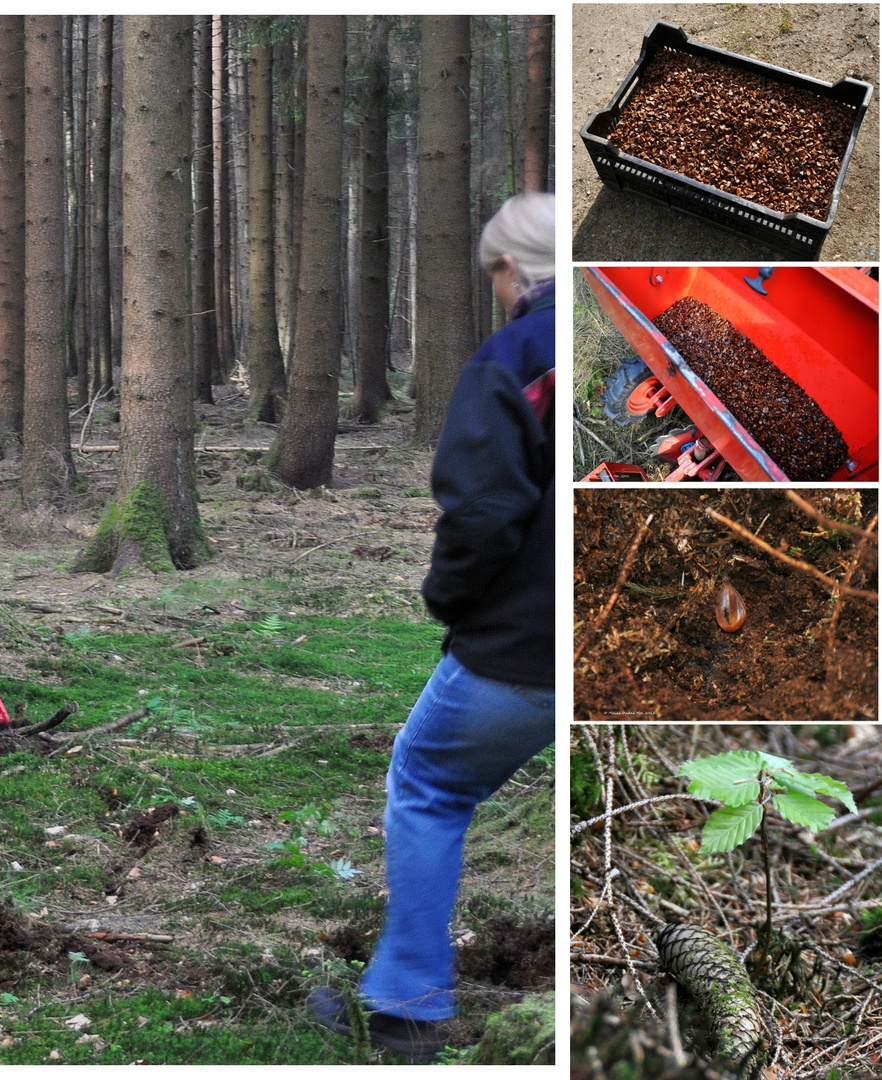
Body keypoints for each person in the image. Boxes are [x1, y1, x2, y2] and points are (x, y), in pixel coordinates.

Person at [309, 191, 557, 1060]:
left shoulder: (515, 359)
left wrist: (449, 601)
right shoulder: (636, 339)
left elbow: (482, 512)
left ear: (510, 271)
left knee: (427, 783)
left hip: (525, 651)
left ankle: (407, 1002)